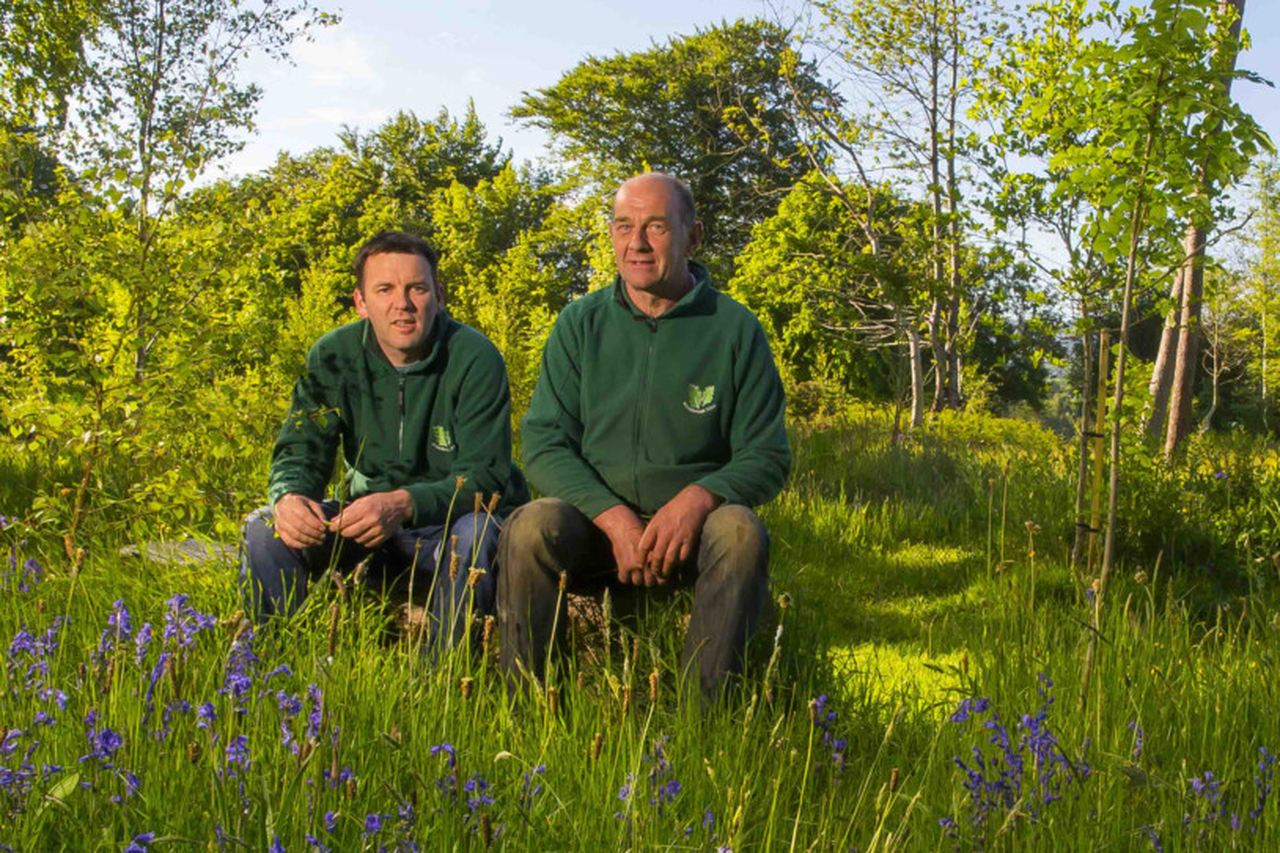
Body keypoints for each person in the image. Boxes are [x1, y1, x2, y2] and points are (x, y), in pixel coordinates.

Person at [499, 172, 790, 697]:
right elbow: (544, 443)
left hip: (693, 532)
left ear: (693, 235)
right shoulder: (579, 324)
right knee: (529, 525)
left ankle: (707, 722)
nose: (635, 243)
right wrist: (613, 520)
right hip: (593, 525)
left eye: (655, 227)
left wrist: (698, 500)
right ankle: (521, 708)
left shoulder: (735, 329)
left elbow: (766, 454)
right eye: (622, 226)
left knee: (741, 532)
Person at [242, 230, 528, 646]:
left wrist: (403, 503)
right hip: (364, 524)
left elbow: (486, 478)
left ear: (439, 294)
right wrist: (290, 496)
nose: (403, 304)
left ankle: (444, 685)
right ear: (361, 302)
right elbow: (302, 446)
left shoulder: (474, 357)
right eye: (385, 289)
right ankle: (277, 671)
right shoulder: (334, 356)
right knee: (263, 526)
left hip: (449, 528)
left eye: (417, 288)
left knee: (478, 532)